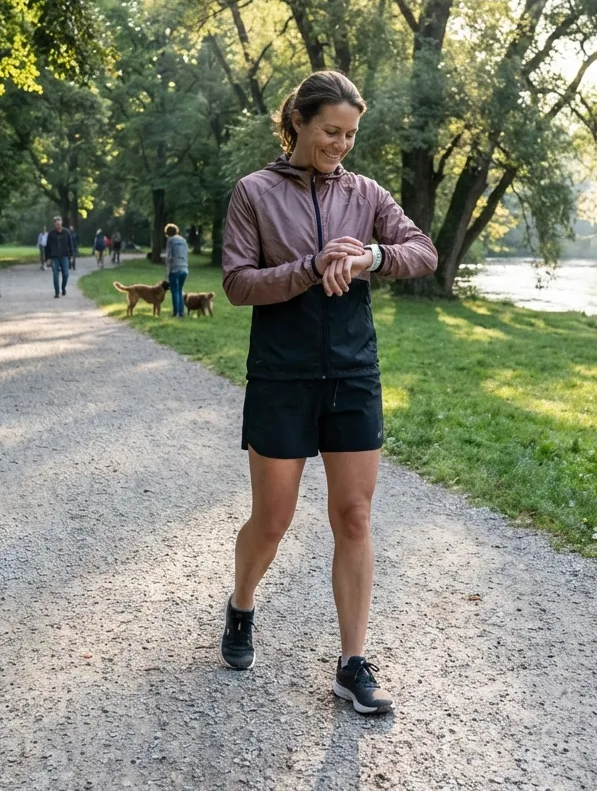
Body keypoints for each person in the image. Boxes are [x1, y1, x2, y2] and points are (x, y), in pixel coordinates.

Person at [219, 70, 437, 714]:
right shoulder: (254, 193)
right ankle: (242, 604)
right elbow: (236, 284)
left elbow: (421, 251)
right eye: (330, 131)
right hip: (282, 375)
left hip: (352, 372)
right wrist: (311, 268)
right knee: (275, 519)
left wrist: (372, 257)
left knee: (355, 516)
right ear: (299, 124)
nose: (341, 144)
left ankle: (351, 662)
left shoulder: (365, 192)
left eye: (350, 134)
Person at [164, 223, 189, 318]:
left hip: (175, 268)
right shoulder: (183, 240)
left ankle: (175, 313)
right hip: (184, 268)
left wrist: (167, 271)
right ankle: (182, 313)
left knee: (174, 291)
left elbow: (169, 256)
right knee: (180, 290)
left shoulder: (170, 240)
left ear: (167, 232)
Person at [45, 217, 73, 298]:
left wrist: (71, 255)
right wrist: (47, 258)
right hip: (54, 257)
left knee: (66, 274)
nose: (58, 226)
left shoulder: (66, 232)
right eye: (57, 224)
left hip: (64, 256)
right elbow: (47, 247)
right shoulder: (51, 234)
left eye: (59, 224)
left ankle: (63, 288)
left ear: (61, 223)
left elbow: (70, 244)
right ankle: (57, 292)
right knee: (55, 275)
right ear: (54, 224)